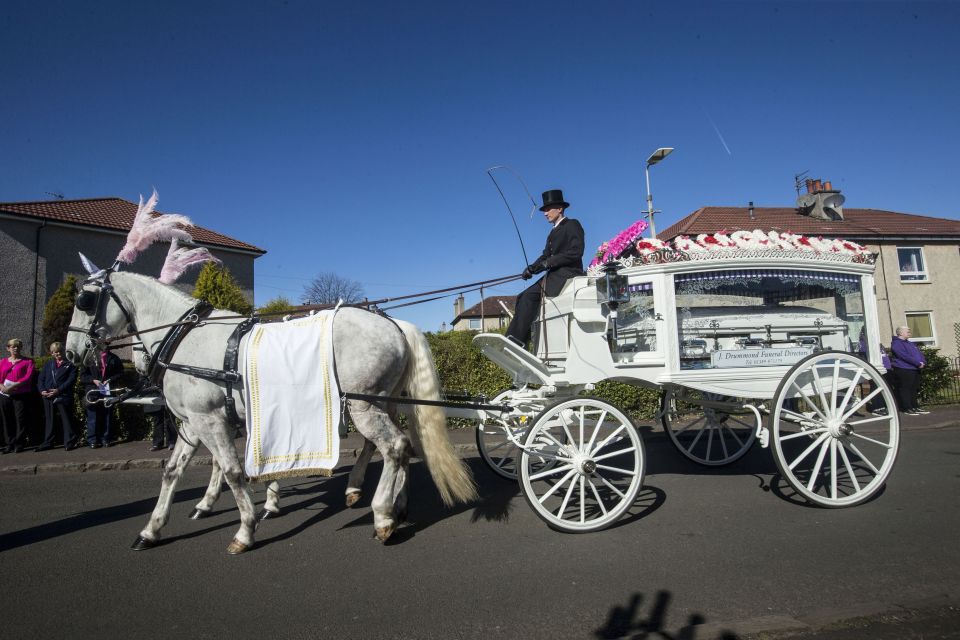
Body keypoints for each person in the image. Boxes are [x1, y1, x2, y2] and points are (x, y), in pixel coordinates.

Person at [505, 189, 585, 347]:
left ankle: (515, 341)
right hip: (555, 273)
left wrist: (549, 263)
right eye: (544, 210)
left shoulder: (572, 224)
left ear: (560, 208)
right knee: (523, 296)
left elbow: (576, 252)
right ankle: (519, 340)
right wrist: (531, 269)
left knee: (528, 296)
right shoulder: (552, 233)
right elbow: (545, 256)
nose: (545, 213)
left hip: (568, 273)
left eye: (548, 209)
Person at [37, 341, 79, 451]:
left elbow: (71, 381)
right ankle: (48, 442)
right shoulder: (48, 364)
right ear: (51, 353)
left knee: (66, 419)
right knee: (49, 419)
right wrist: (42, 391)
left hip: (62, 396)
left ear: (63, 351)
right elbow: (41, 379)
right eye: (55, 352)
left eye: (60, 351)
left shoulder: (70, 365)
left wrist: (58, 390)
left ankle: (69, 441)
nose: (58, 354)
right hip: (48, 396)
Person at [80, 349, 124, 448]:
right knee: (93, 416)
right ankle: (92, 440)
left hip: (107, 390)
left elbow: (120, 373)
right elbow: (82, 376)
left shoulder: (114, 358)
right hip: (92, 390)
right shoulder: (89, 357)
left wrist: (110, 379)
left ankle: (106, 438)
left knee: (107, 416)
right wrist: (93, 380)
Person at [1, 338, 35, 453]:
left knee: (20, 419)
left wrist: (13, 386)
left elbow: (28, 377)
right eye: (13, 346)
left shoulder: (28, 362)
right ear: (8, 348)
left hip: (20, 394)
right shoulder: (2, 362)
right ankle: (9, 443)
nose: (15, 348)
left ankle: (19, 444)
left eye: (18, 346)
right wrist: (3, 388)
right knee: (7, 419)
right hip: (4, 395)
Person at [889, 325, 928, 416]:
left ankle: (914, 406)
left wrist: (923, 362)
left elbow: (919, 353)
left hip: (914, 368)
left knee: (914, 389)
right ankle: (907, 408)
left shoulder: (910, 343)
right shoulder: (897, 343)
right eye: (907, 331)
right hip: (904, 369)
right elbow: (904, 356)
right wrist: (917, 363)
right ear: (900, 333)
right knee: (905, 389)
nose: (909, 332)